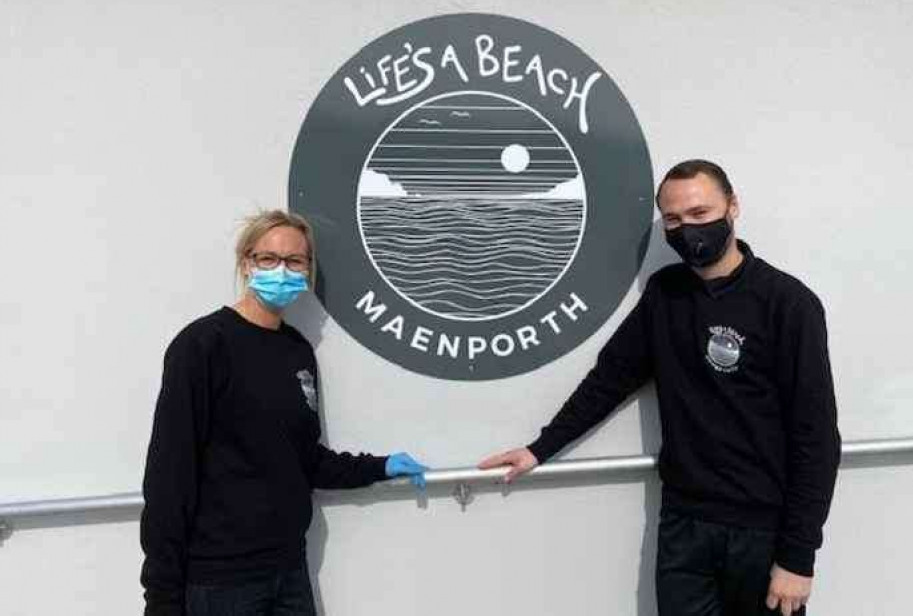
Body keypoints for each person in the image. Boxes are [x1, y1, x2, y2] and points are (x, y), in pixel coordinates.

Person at [480, 160, 840, 616]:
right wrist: (539, 448)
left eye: (699, 213)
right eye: (673, 220)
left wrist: (798, 555)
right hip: (684, 530)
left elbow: (818, 440)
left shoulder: (788, 304)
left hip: (762, 534)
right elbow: (609, 379)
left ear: (733, 207)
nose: (686, 229)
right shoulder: (664, 295)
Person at [141, 209, 428, 616]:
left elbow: (306, 460)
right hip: (221, 583)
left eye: (295, 261)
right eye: (268, 259)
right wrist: (162, 599)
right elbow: (169, 477)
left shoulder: (297, 351)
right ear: (246, 262)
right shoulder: (203, 346)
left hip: (288, 573)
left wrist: (380, 467)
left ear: (307, 270)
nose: (282, 270)